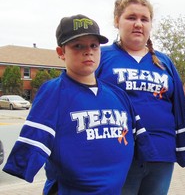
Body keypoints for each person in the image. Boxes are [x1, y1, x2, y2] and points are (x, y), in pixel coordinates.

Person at [3, 14, 156, 195]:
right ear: (61, 53)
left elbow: (141, 141)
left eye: (94, 45)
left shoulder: (118, 95)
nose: (88, 51)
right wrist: (23, 163)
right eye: (78, 46)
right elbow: (32, 144)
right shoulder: (54, 92)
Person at [95, 0, 185, 195]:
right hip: (117, 154)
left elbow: (179, 108)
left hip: (161, 154)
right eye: (131, 18)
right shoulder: (100, 56)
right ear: (117, 21)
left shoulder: (164, 62)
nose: (138, 24)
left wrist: (183, 147)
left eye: (144, 19)